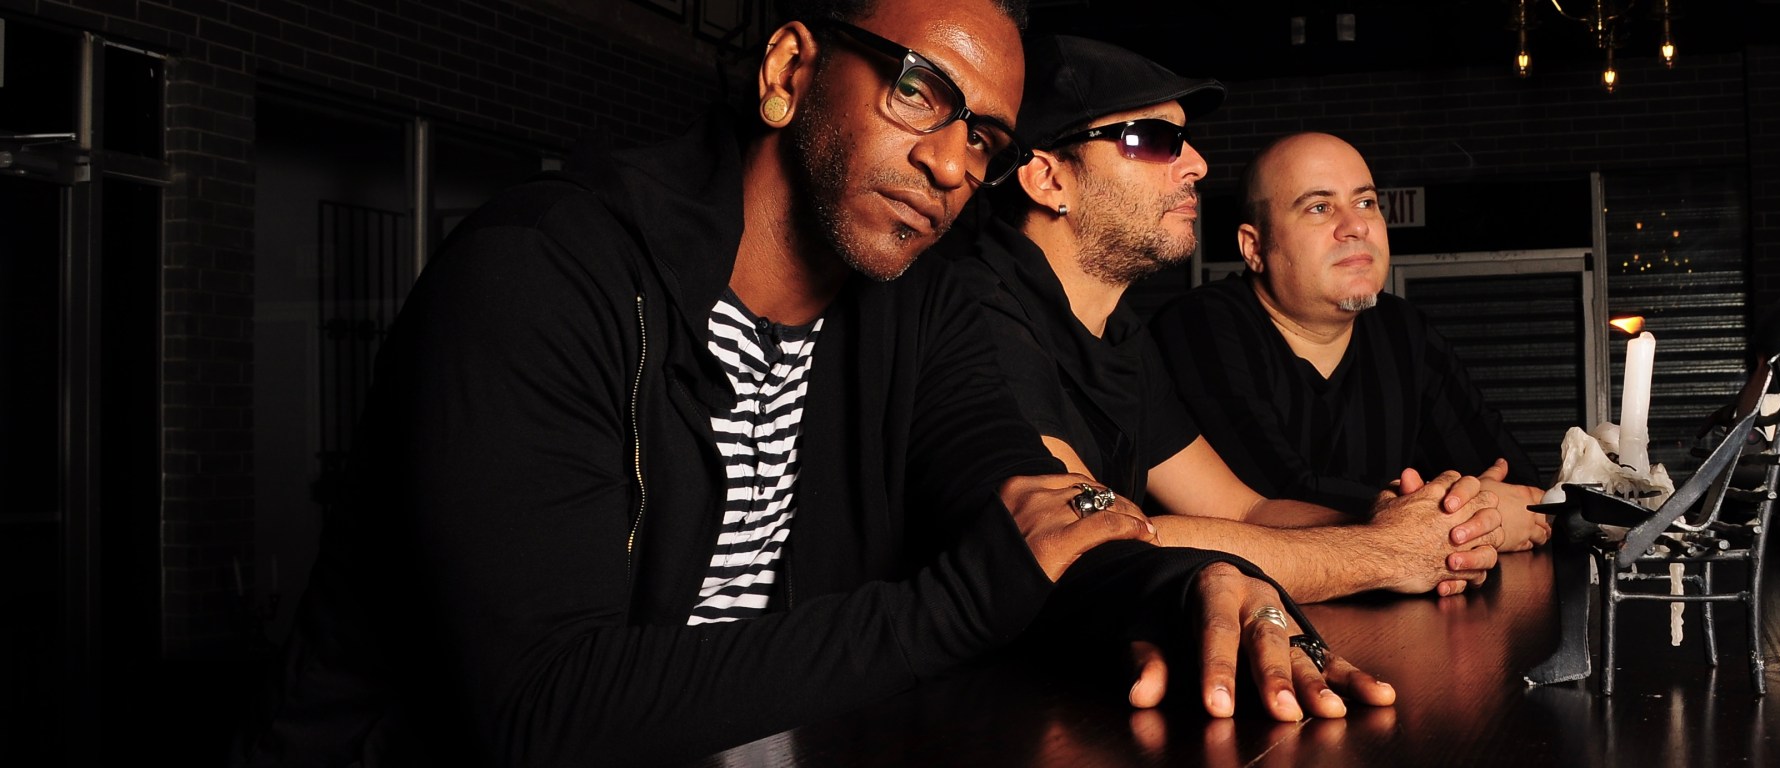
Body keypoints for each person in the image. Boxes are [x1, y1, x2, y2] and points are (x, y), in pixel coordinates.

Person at [247, 4, 1390, 765]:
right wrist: (961, 605)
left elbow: (1012, 505)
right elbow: (541, 709)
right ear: (791, 72)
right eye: (917, 92)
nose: (950, 163)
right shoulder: (547, 272)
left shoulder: (918, 304)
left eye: (985, 139)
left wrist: (1186, 589)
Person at [940, 35, 1508, 603]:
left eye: (1185, 141)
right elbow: (1087, 541)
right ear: (1048, 180)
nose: (1197, 165)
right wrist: (1384, 552)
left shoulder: (1119, 334)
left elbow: (1243, 510)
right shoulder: (974, 312)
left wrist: (1411, 523)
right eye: (1153, 140)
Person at [1149, 131, 1551, 553]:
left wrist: (1473, 508)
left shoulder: (1402, 331)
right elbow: (1272, 500)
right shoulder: (1201, 326)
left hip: (1404, 590)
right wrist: (1465, 516)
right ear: (1254, 247)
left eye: (1366, 203)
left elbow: (1517, 484)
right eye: (1320, 208)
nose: (1357, 225)